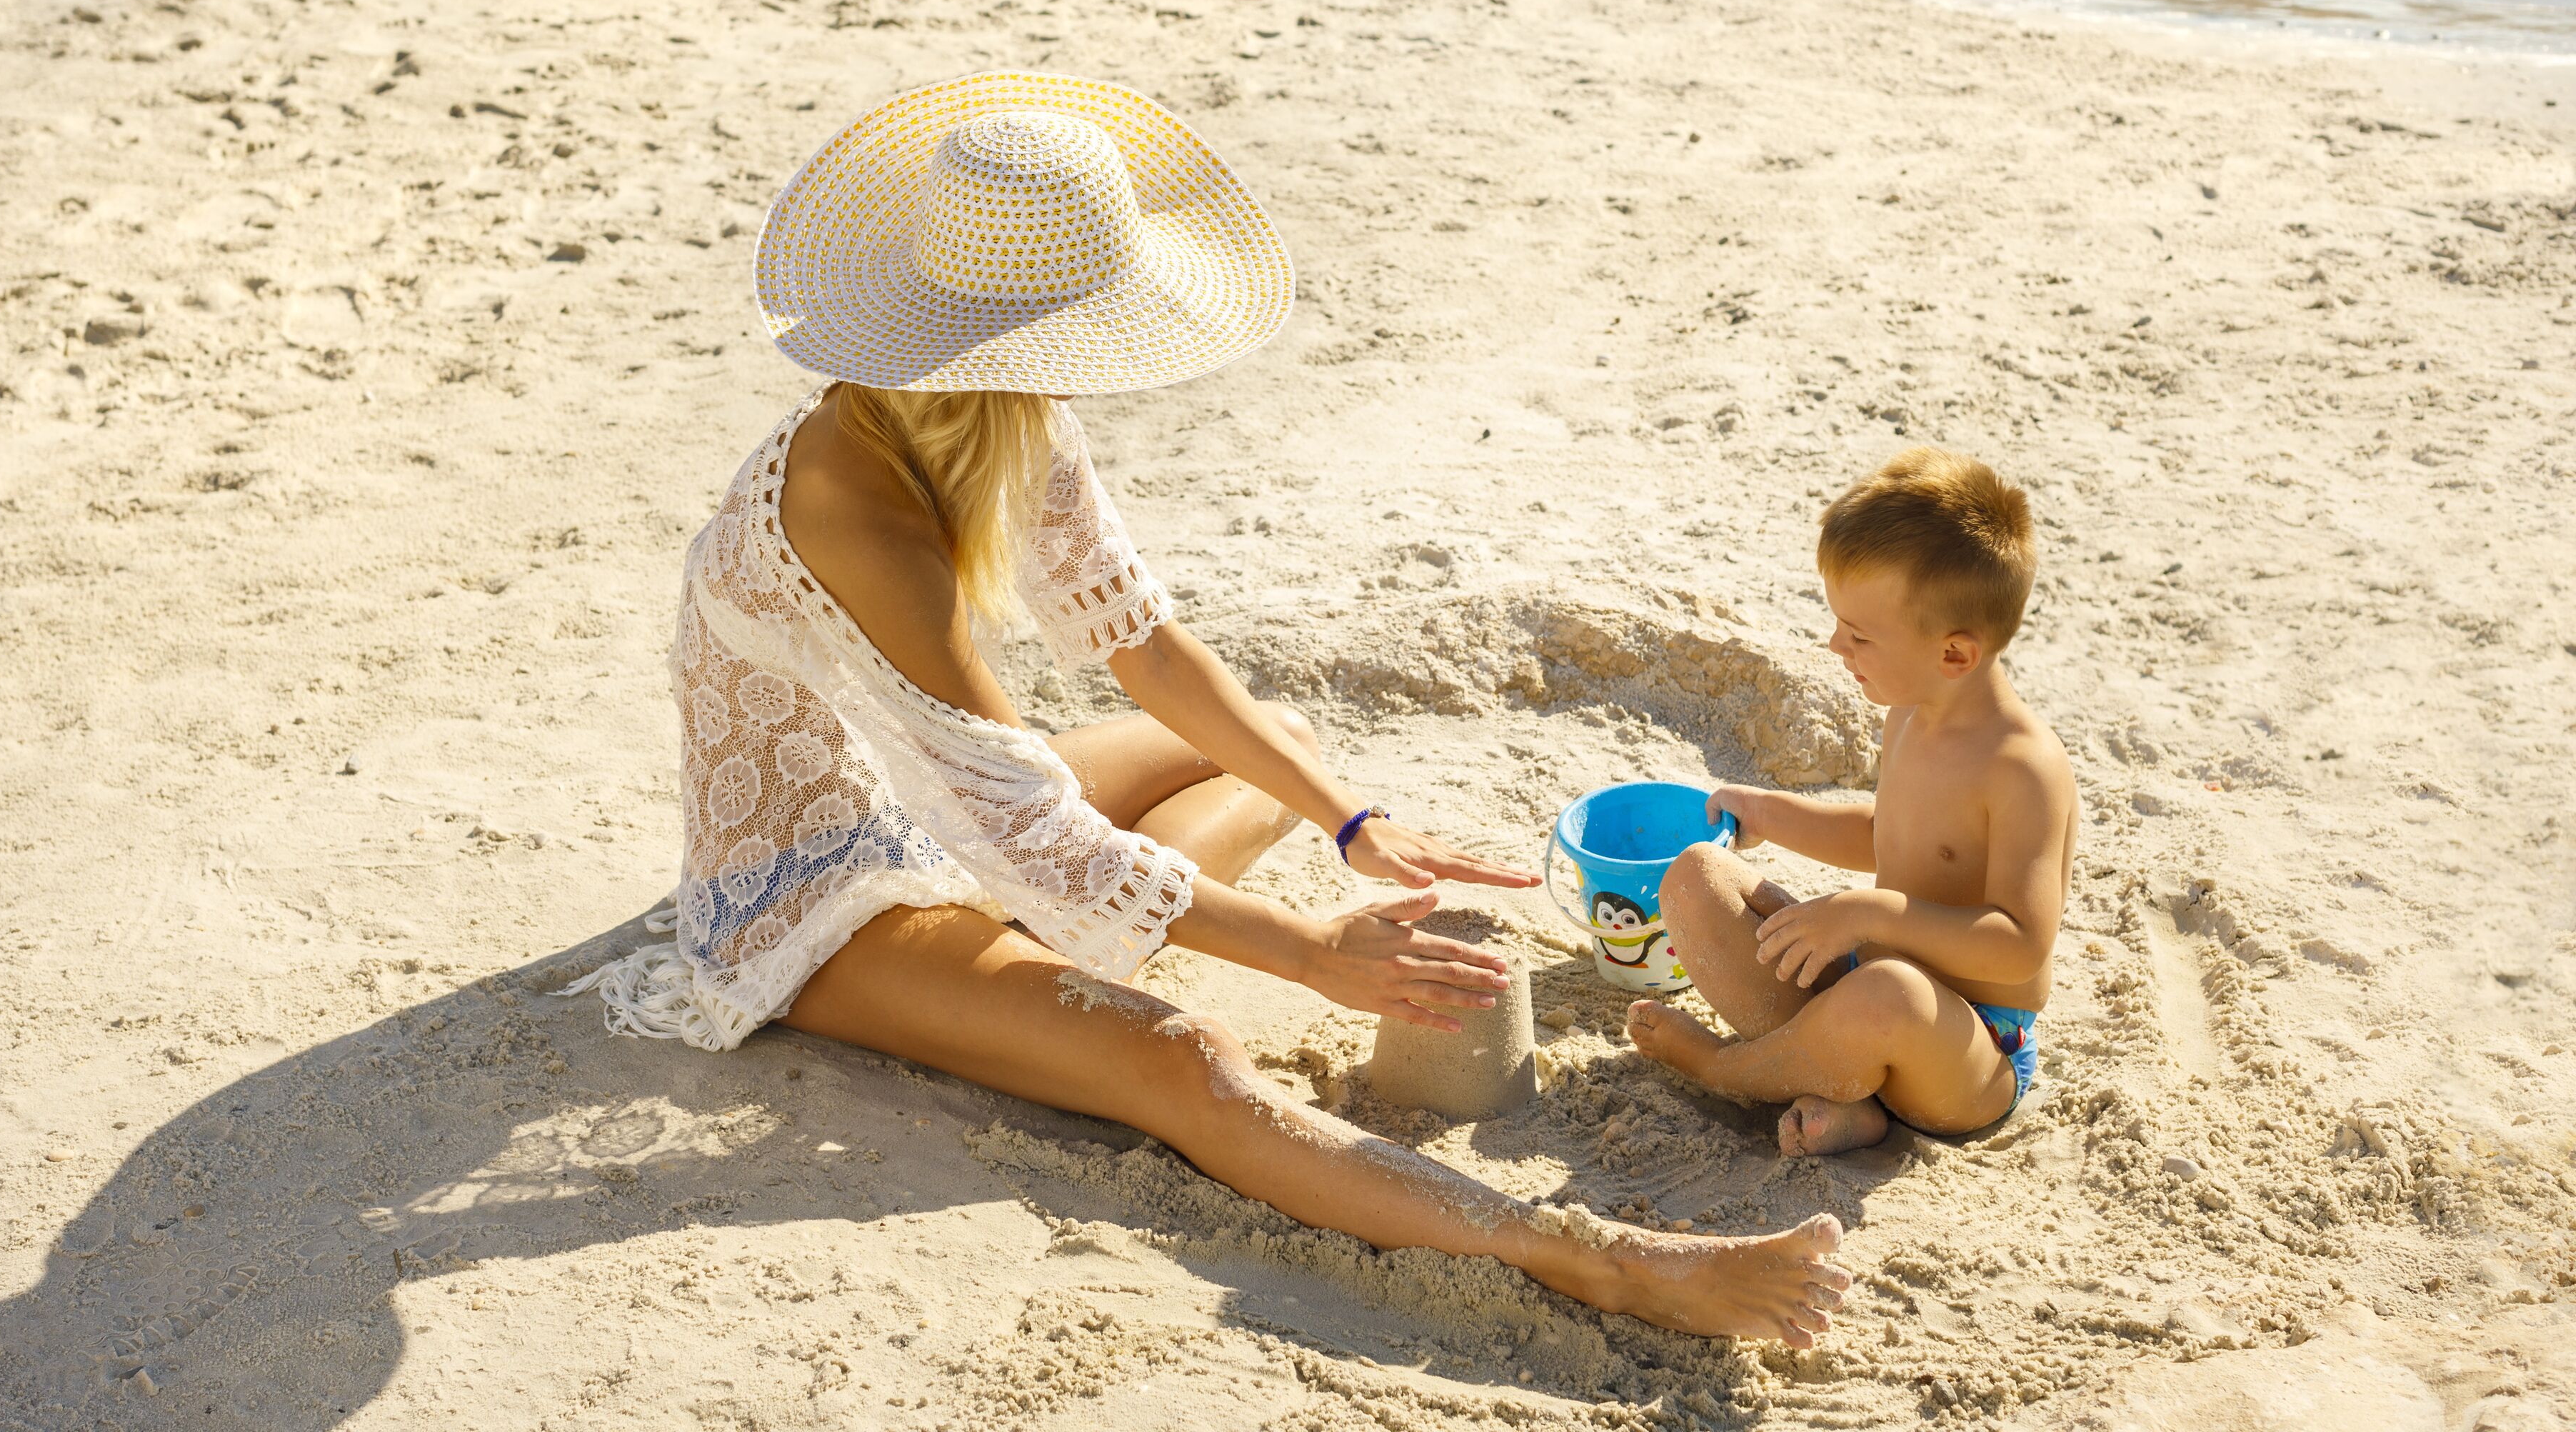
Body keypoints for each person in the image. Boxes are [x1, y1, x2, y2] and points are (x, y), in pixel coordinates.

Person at [573, 70, 1849, 1344]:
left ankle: (1041, 960)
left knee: (1275, 747)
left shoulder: (991, 411)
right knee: (1183, 1061)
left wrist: (1353, 824)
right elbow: (1028, 831)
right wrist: (1307, 951)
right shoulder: (859, 510)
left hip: (930, 803)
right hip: (816, 894)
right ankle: (1612, 1263)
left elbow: (1149, 649)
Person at [1625, 447, 2076, 1155]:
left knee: (1887, 995)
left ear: (1955, 653)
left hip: (1965, 1047)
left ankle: (1727, 1068)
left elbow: (2021, 942)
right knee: (1695, 878)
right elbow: (1889, 835)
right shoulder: (1909, 710)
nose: (1836, 644)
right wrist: (1775, 816)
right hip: (1869, 987)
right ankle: (1850, 1098)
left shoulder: (2023, 767)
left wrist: (1867, 911)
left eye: (1860, 634)